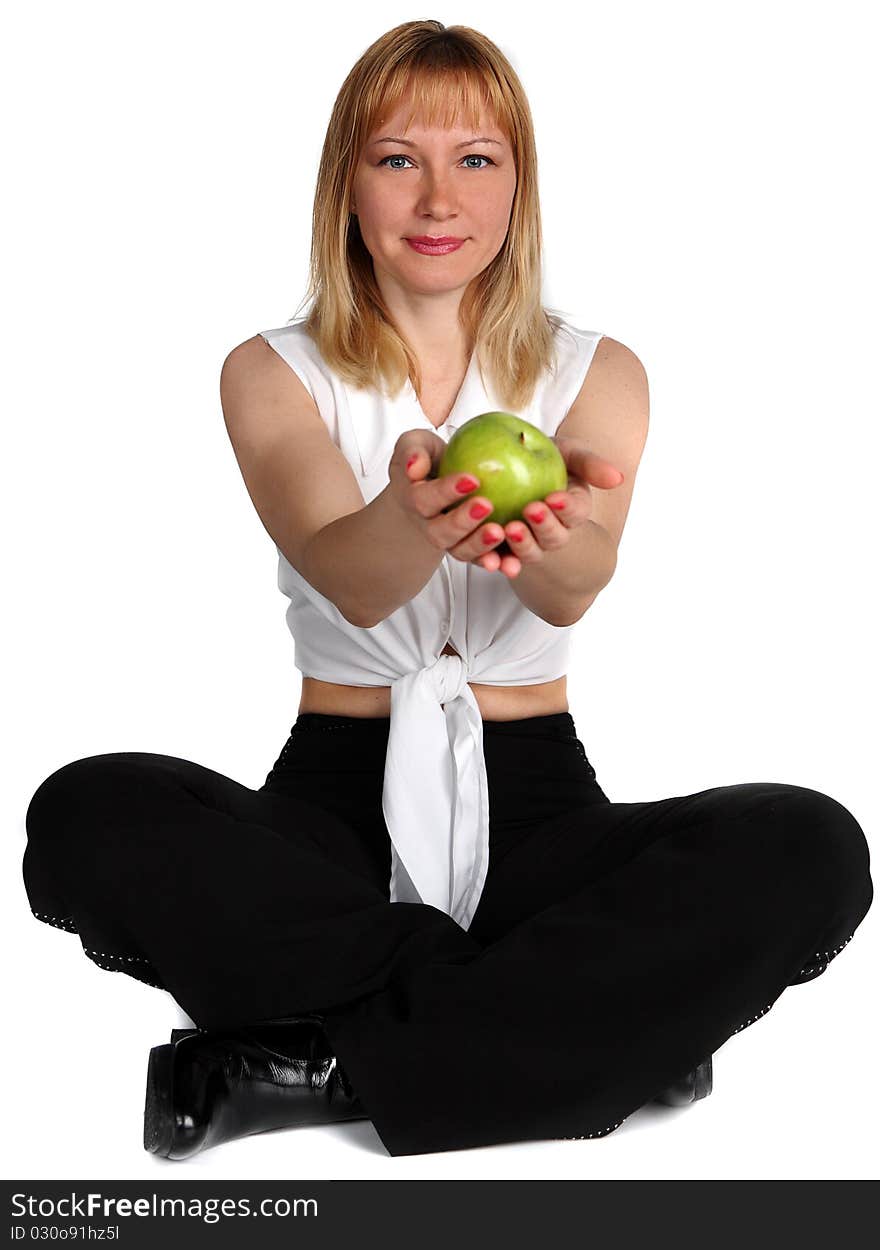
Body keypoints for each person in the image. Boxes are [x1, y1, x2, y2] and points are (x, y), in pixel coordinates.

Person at [22, 20, 872, 1161]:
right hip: (331, 795)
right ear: (346, 187)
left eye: (475, 158)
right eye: (395, 159)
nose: (436, 198)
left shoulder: (597, 370)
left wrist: (553, 528)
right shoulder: (270, 370)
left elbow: (571, 594)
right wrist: (415, 517)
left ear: (518, 186)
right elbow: (350, 576)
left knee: (810, 844)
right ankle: (592, 1027)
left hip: (541, 804)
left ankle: (309, 1066)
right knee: (82, 813)